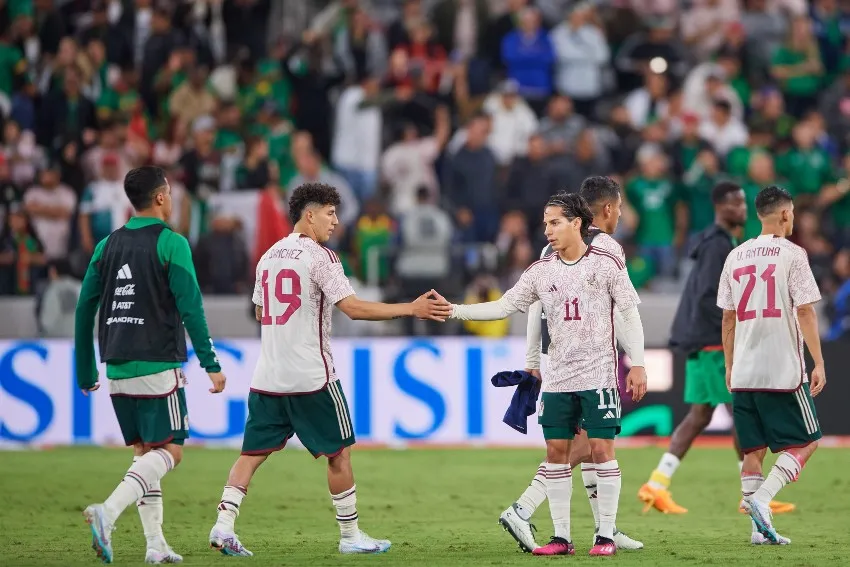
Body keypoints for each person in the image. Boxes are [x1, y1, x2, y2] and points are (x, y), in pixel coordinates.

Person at [208, 182, 453, 557]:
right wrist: (411, 308)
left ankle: (223, 526)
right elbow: (352, 307)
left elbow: (259, 312)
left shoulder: (268, 255)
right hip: (312, 376)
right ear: (310, 215)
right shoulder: (321, 257)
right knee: (339, 454)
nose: (336, 222)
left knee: (251, 454)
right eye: (330, 213)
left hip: (268, 375)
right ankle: (351, 536)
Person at [442, 192, 648, 557]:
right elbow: (505, 306)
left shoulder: (606, 263)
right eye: (545, 223)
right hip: (558, 377)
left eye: (554, 222)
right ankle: (561, 537)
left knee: (602, 449)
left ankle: (604, 537)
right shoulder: (540, 271)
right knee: (556, 452)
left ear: (576, 223)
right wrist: (454, 310)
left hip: (599, 374)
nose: (547, 231)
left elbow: (629, 314)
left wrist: (639, 362)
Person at [75, 166, 227, 565]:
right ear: (160, 197)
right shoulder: (171, 243)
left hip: (117, 367)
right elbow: (191, 308)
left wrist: (84, 368)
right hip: (157, 362)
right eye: (170, 193)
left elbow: (83, 308)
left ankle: (155, 544)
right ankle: (106, 512)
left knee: (145, 453)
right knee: (171, 452)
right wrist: (210, 363)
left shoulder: (106, 245)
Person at [498, 176, 643, 553]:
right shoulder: (608, 248)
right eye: (620, 208)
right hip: (590, 360)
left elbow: (534, 307)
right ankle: (524, 507)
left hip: (557, 355)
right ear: (609, 209)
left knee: (589, 448)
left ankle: (604, 528)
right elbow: (625, 314)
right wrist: (638, 360)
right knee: (590, 443)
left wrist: (533, 360)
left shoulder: (552, 250)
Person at [639, 181, 794, 518]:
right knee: (739, 411)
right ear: (721, 207)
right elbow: (711, 298)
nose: (742, 209)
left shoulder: (721, 242)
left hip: (704, 339)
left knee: (702, 415)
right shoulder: (717, 246)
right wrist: (738, 330)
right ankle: (750, 494)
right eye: (736, 203)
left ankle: (657, 483)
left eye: (743, 203)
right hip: (712, 342)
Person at [717, 185, 824, 545]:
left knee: (752, 451)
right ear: (783, 215)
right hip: (782, 368)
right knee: (808, 441)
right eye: (791, 213)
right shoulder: (793, 255)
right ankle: (762, 502)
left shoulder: (736, 256)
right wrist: (819, 361)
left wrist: (730, 365)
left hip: (745, 369)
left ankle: (757, 534)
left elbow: (728, 318)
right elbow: (806, 310)